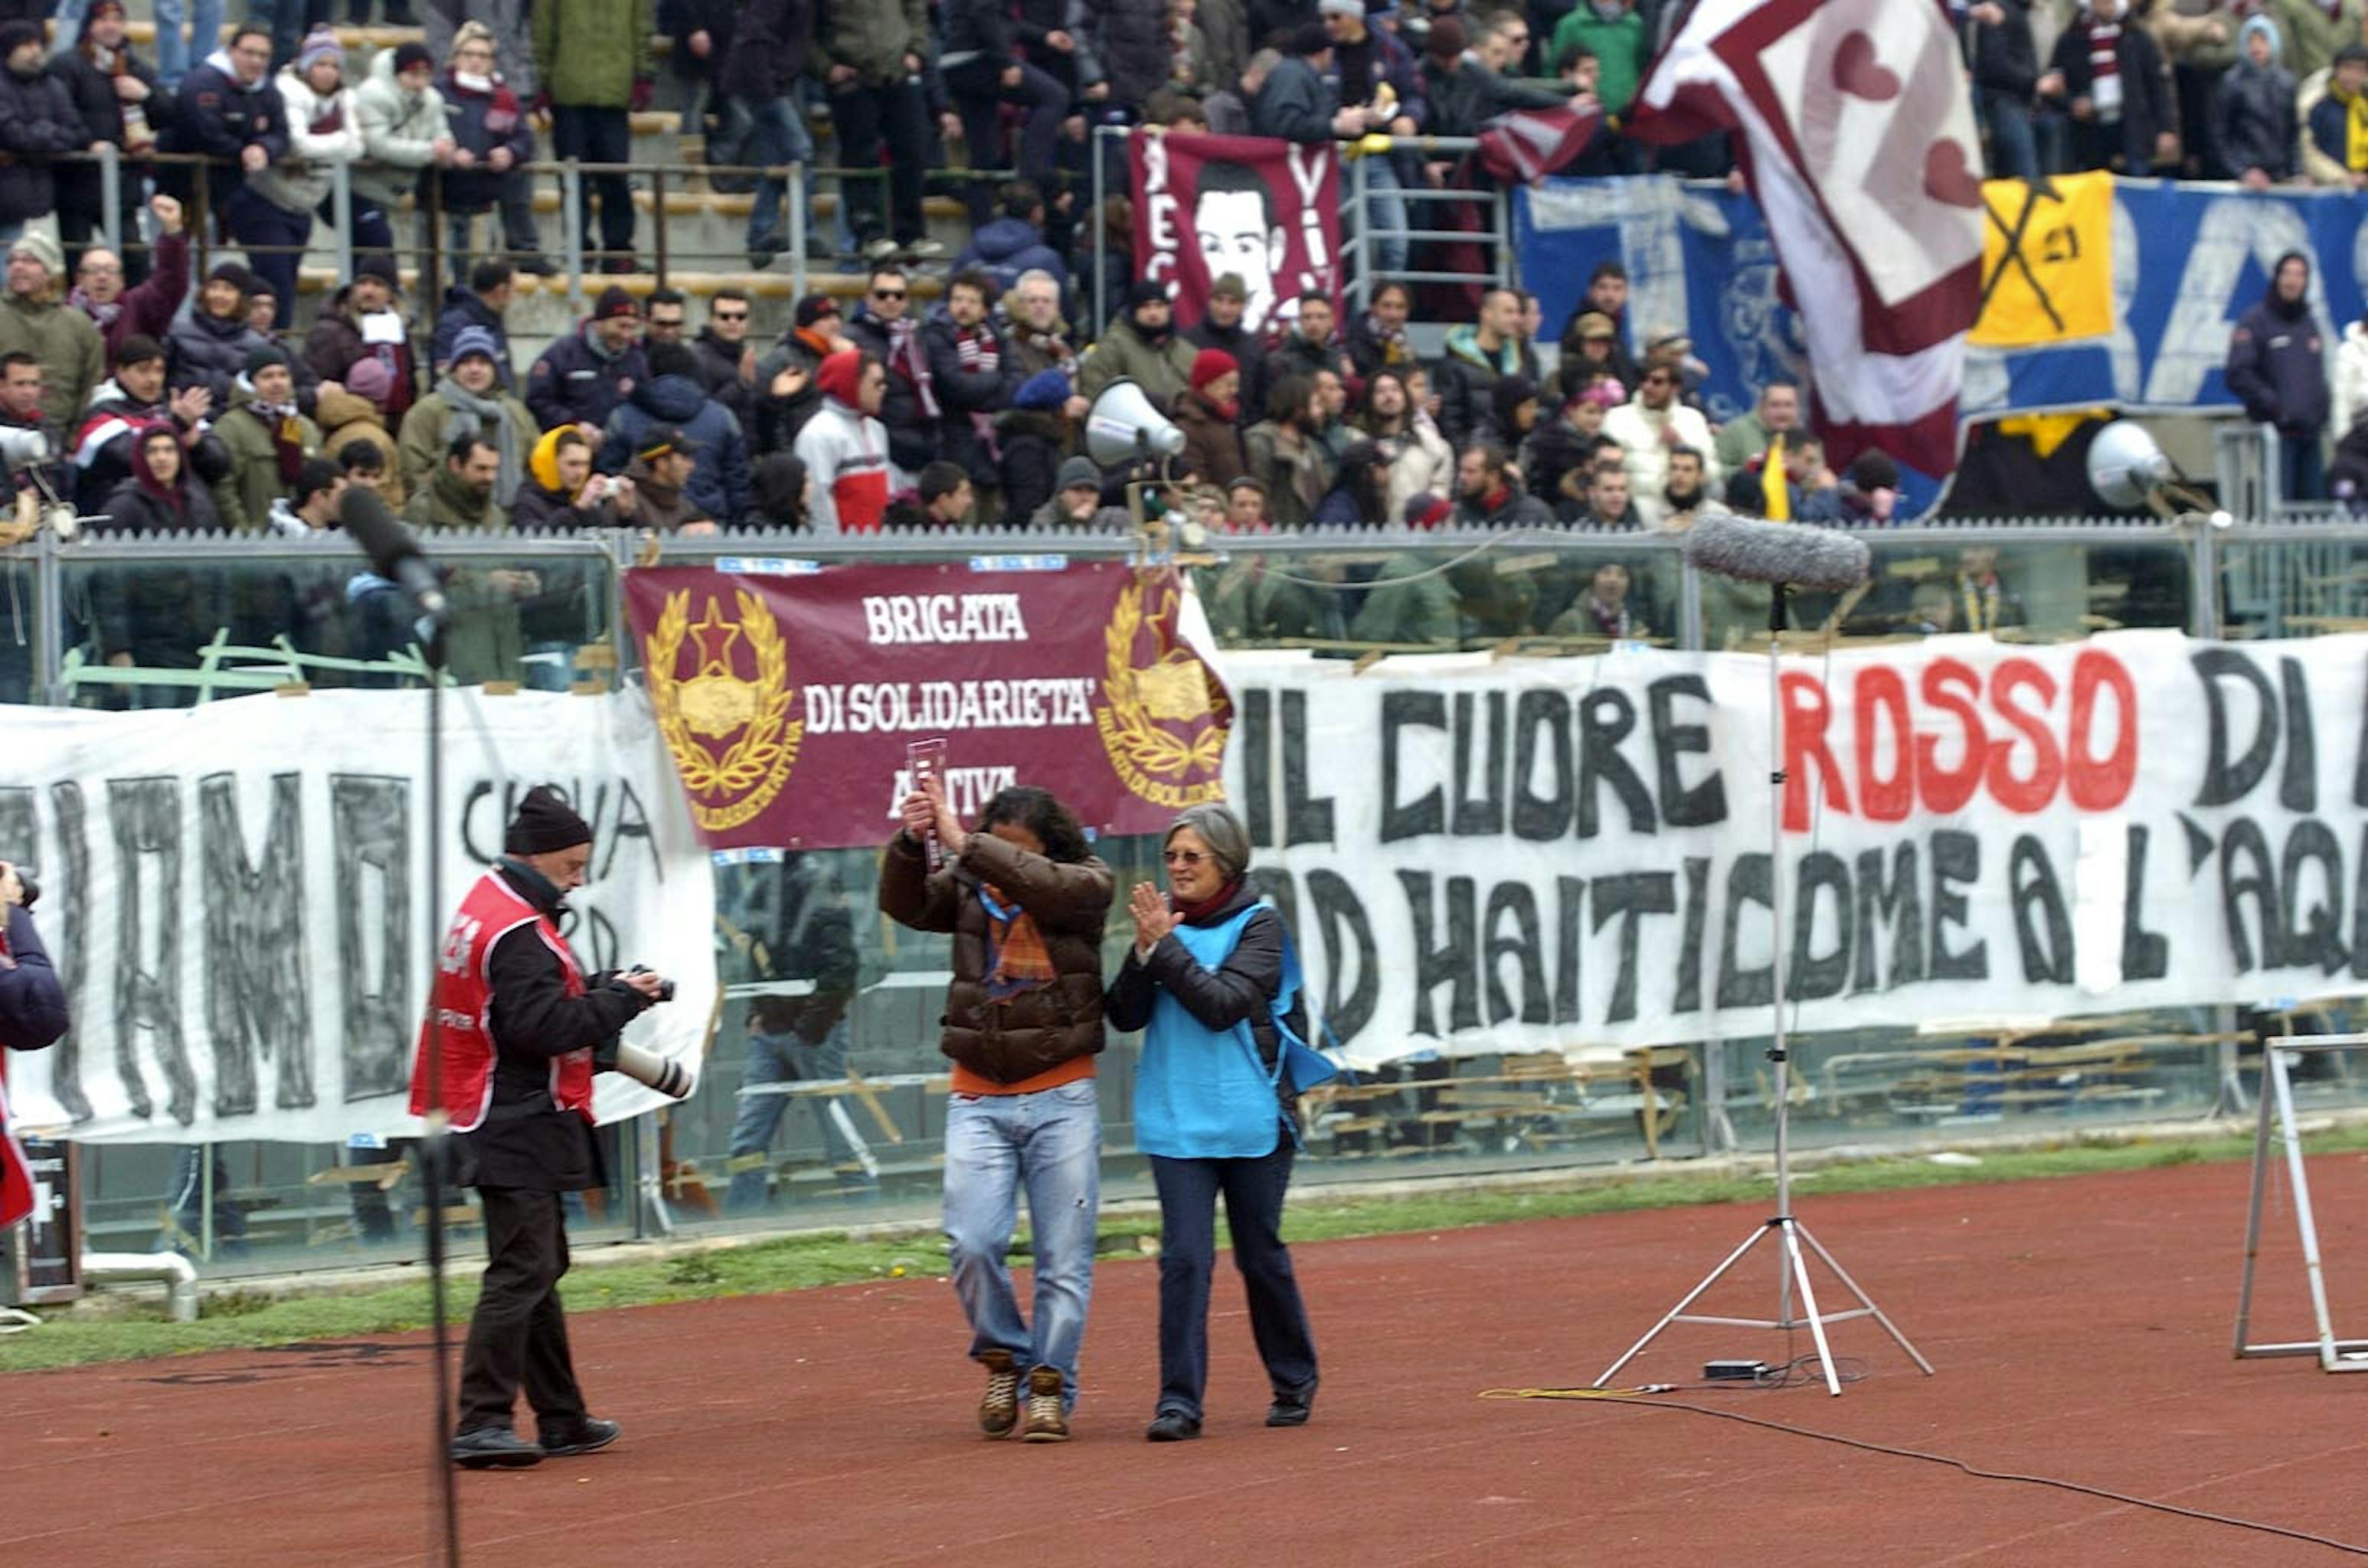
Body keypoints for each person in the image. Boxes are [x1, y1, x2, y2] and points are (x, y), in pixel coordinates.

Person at [412, 785, 665, 1468]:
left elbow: (522, 1006)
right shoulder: (518, 931)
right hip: (512, 1115)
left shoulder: (489, 906)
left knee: (540, 1264)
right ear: (541, 856)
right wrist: (619, 1001)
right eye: (573, 865)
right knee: (524, 1266)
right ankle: (481, 1422)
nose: (581, 878)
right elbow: (542, 1027)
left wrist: (606, 989)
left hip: (486, 1105)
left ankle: (560, 1418)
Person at [877, 776, 1113, 1444]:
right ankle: (1005, 1355)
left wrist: (967, 844)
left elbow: (1041, 883)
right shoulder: (966, 883)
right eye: (989, 848)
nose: (997, 868)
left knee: (1063, 1261)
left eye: (1014, 852)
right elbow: (904, 903)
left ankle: (1050, 1388)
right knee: (972, 1244)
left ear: (1050, 850)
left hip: (1063, 1094)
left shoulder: (1086, 884)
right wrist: (911, 839)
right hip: (977, 1094)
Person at [1104, 802, 1320, 1443]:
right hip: (1176, 1120)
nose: (1177, 867)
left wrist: (1164, 949)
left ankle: (1294, 1378)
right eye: (1171, 857)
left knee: (1260, 1257)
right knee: (1184, 1260)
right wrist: (1142, 956)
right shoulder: (1160, 929)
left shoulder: (1261, 925)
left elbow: (1222, 1006)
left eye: (1191, 857)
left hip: (1252, 1119)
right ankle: (1178, 1402)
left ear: (1226, 862)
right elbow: (1122, 1016)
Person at [723, 855, 862, 1213]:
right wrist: (761, 1012)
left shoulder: (808, 881)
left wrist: (806, 1030)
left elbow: (841, 968)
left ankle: (867, 1207)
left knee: (838, 1138)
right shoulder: (771, 882)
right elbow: (764, 953)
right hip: (781, 1028)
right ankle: (741, 1222)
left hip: (802, 1031)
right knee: (749, 1139)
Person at [534, 0, 653, 273]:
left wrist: (644, 73)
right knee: (573, 178)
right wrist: (543, 80)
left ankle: (618, 250)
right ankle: (579, 248)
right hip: (569, 93)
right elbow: (543, 29)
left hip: (613, 92)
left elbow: (642, 25)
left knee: (615, 176)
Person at [599, 341, 749, 524]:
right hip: (713, 529)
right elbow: (738, 484)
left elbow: (610, 477)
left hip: (646, 528)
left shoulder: (622, 417)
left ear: (649, 372)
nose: (691, 465)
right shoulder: (723, 417)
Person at [2226, 250, 2331, 501]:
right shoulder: (2256, 320)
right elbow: (2238, 372)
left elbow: (2315, 375)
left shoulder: (2308, 323)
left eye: (2300, 275)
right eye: (2288, 274)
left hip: (2310, 437)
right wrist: (2274, 406)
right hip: (2275, 436)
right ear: (2276, 278)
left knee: (2314, 515)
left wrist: (2322, 408)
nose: (2293, 281)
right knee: (2278, 509)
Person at [401, 325, 538, 502]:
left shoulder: (516, 413)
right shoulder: (428, 411)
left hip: (506, 518)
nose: (475, 369)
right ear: (454, 368)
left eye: (483, 362)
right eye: (466, 362)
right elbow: (413, 470)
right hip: (444, 516)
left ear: (494, 369)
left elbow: (534, 464)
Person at [212, 344, 324, 533]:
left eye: (283, 375)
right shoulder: (230, 427)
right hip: (254, 541)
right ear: (251, 383)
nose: (277, 382)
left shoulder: (304, 427)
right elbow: (224, 491)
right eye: (267, 376)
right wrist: (245, 536)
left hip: (303, 541)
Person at [793, 349, 895, 532]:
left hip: (878, 549)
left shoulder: (877, 430)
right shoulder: (818, 434)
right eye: (877, 383)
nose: (884, 389)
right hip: (842, 551)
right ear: (852, 384)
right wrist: (832, 551)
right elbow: (818, 501)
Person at [526, 287, 647, 434]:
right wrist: (574, 425)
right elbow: (538, 400)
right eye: (621, 326)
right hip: (570, 446)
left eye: (632, 328)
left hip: (619, 450)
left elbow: (645, 407)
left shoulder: (637, 359)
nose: (626, 335)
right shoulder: (563, 353)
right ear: (599, 323)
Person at [1081, 282, 1200, 411]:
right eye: (1145, 307)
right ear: (1134, 311)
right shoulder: (1114, 346)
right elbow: (1098, 392)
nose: (1153, 313)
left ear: (1169, 309)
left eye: (1159, 306)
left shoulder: (1186, 351)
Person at [514, 425, 633, 530]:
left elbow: (606, 545)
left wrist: (624, 514)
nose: (581, 472)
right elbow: (534, 542)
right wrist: (578, 509)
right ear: (551, 464)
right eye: (572, 464)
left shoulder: (583, 500)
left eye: (585, 464)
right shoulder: (528, 501)